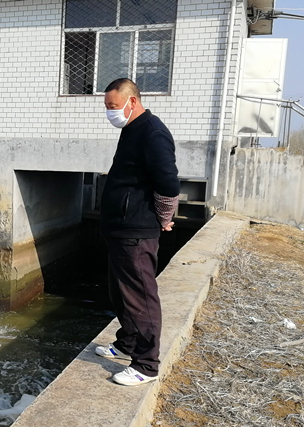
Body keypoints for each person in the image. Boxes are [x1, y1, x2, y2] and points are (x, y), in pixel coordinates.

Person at [95, 78, 180, 386]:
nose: (110, 112)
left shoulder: (153, 132)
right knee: (119, 293)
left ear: (132, 101)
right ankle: (127, 343)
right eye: (107, 106)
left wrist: (164, 217)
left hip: (136, 230)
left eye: (113, 106)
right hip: (120, 228)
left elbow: (168, 183)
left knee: (139, 297)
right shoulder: (132, 129)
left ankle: (146, 364)